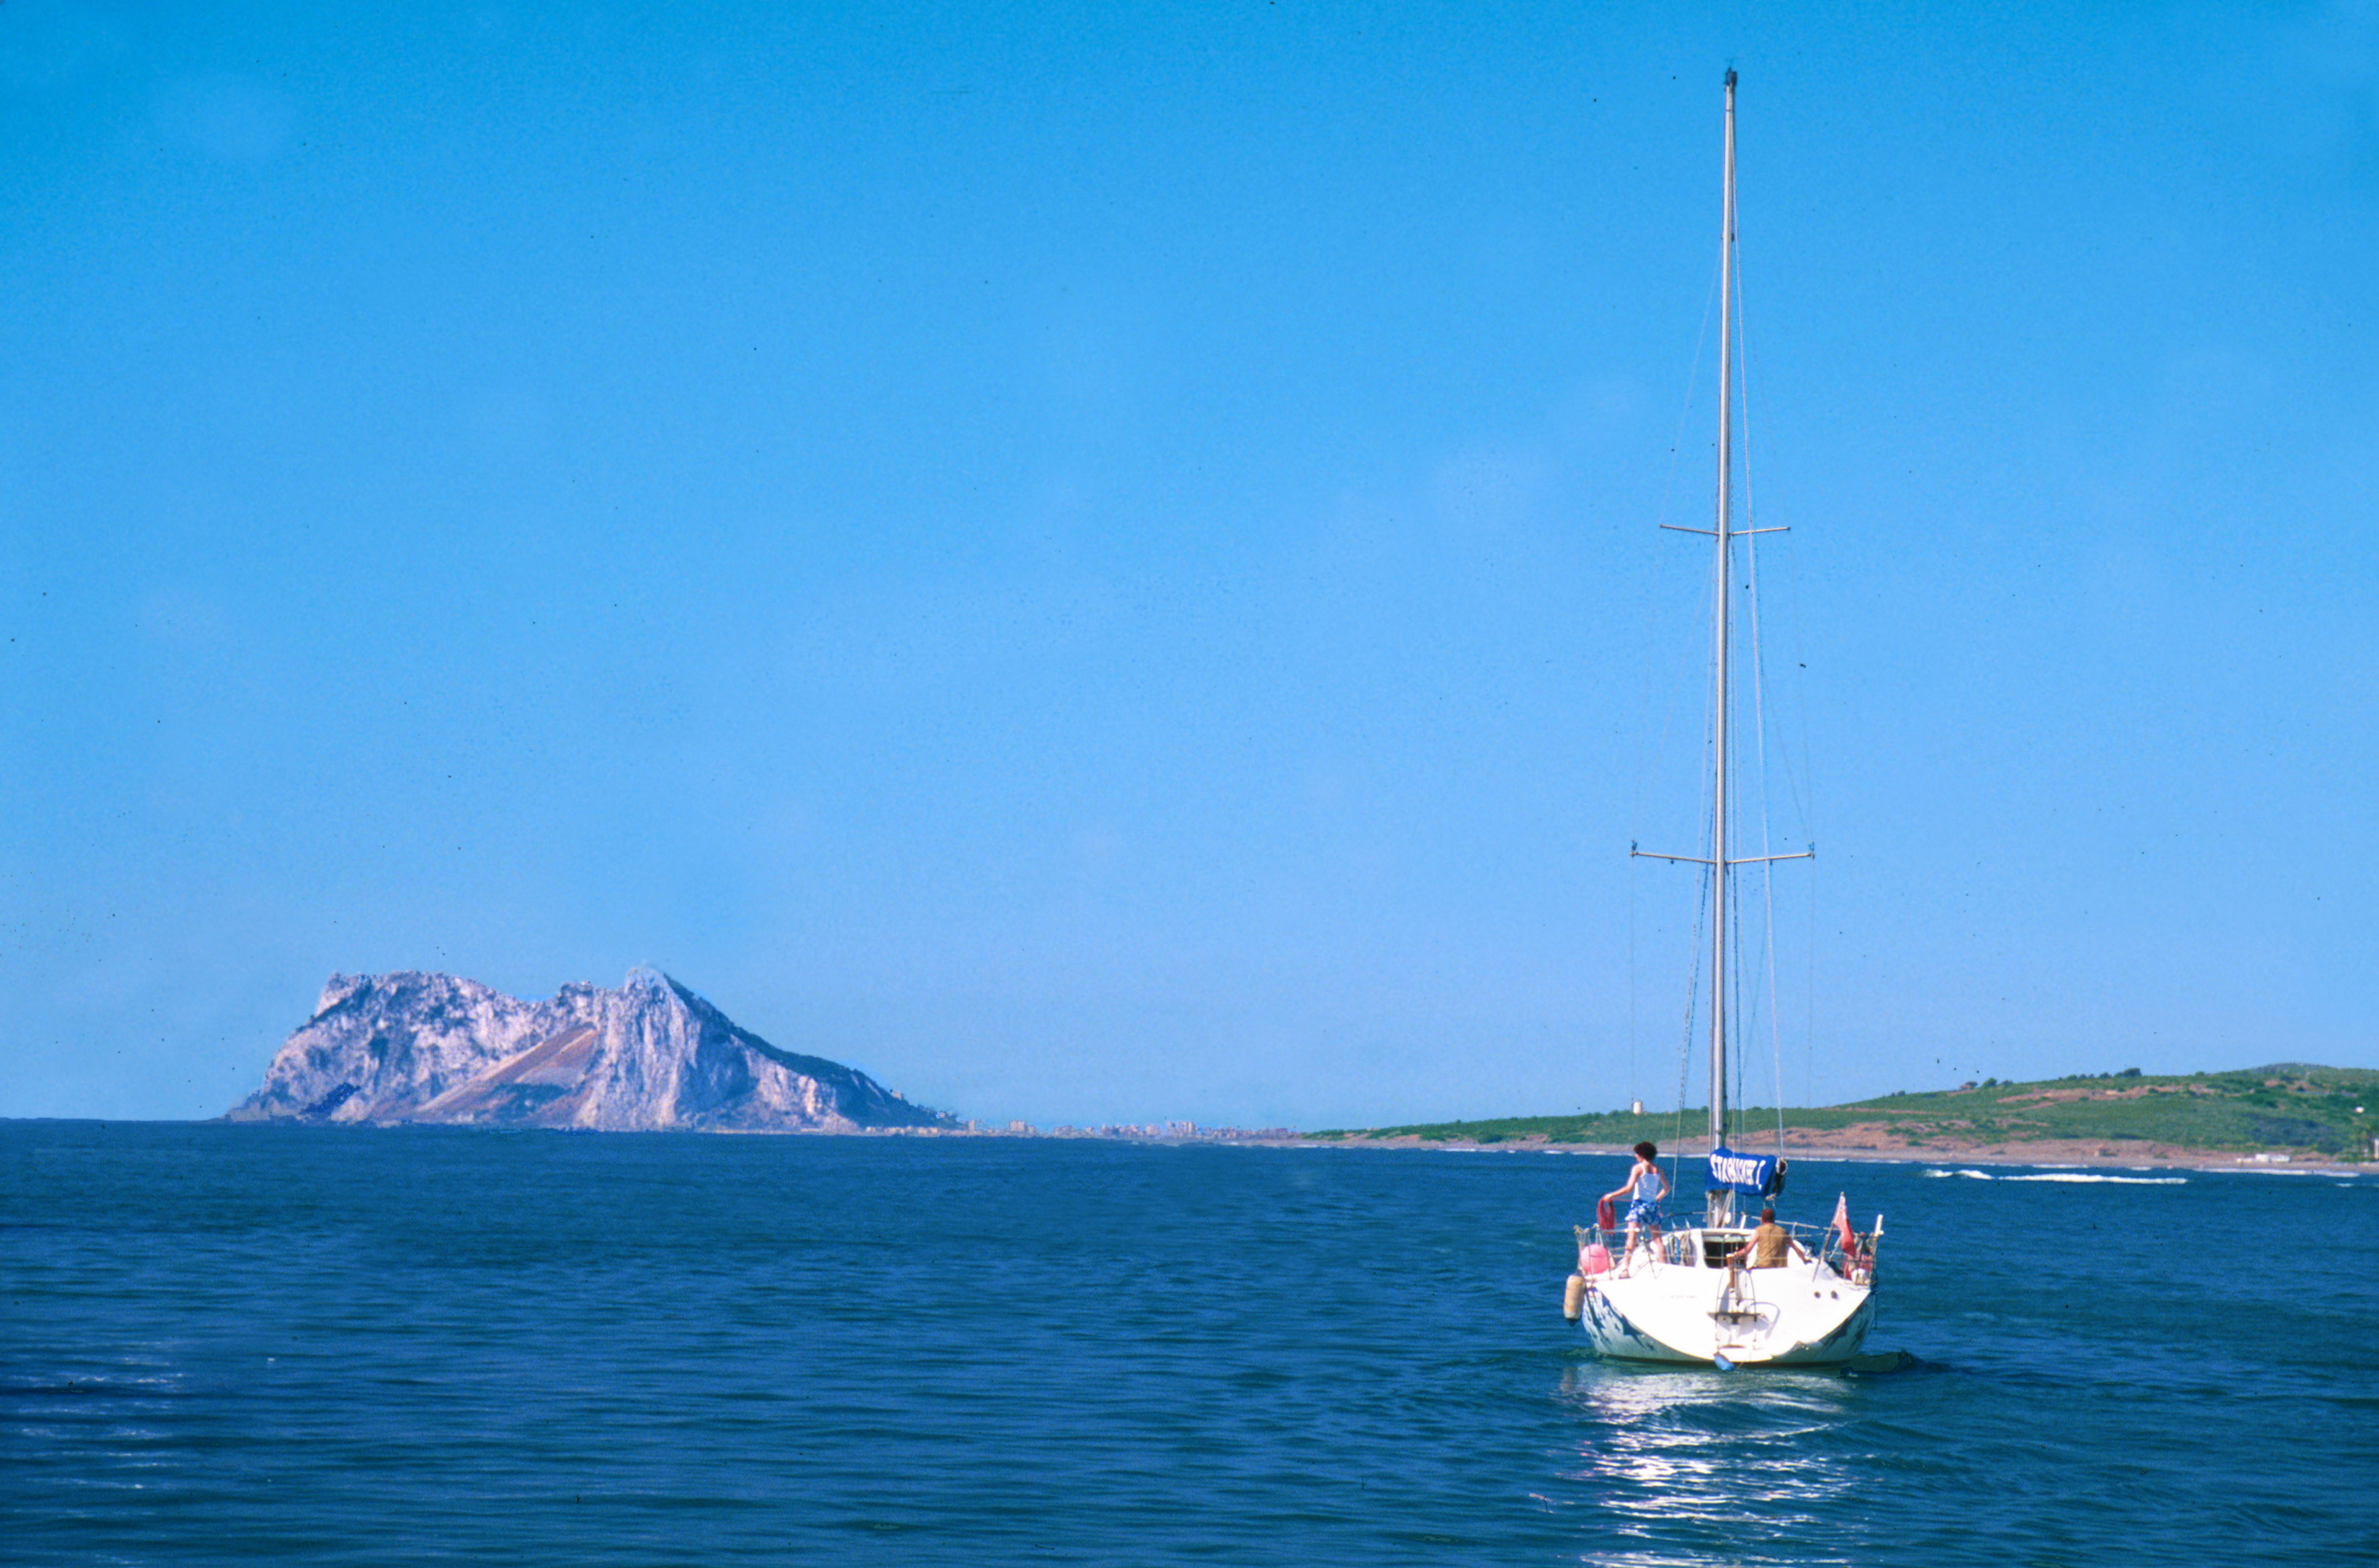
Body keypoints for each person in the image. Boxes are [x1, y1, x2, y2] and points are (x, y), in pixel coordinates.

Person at [1600, 1142, 1668, 1273]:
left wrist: (1611, 1196)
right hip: (1652, 1207)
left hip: (1638, 1206)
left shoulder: (1638, 1168)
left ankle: (1626, 1269)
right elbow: (1667, 1189)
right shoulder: (1658, 1170)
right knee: (1658, 1240)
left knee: (1632, 1238)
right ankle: (1665, 1266)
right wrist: (1656, 1199)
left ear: (1642, 1154)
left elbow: (1628, 1188)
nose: (1635, 1156)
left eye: (1637, 1153)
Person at [1724, 1207, 1809, 1271]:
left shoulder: (1759, 1231)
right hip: (1781, 1269)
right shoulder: (1783, 1232)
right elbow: (1797, 1249)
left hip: (1764, 1268)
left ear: (1762, 1219)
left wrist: (1735, 1255)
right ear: (1773, 1219)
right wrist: (1805, 1260)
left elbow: (1748, 1250)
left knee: (1746, 1270)